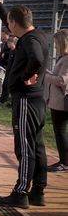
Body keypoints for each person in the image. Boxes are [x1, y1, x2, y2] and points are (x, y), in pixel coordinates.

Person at [0, 0, 48, 209]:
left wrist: (26, 77)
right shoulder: (36, 34)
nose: (8, 27)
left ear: (15, 23)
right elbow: (11, 22)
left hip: (25, 99)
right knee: (37, 145)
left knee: (24, 147)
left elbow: (37, 59)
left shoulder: (30, 41)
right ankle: (38, 191)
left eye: (9, 23)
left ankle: (21, 192)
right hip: (38, 100)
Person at [44, 29, 68, 172]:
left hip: (61, 102)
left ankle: (64, 162)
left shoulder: (66, 59)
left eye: (56, 43)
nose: (55, 46)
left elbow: (62, 80)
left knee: (60, 132)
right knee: (60, 132)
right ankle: (64, 161)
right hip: (57, 100)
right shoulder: (62, 58)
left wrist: (45, 76)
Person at [0, 36, 18, 105]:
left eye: (9, 43)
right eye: (7, 43)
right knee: (5, 85)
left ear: (13, 43)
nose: (8, 45)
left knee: (11, 88)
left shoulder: (16, 52)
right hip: (8, 71)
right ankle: (2, 100)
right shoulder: (11, 51)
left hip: (13, 73)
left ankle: (11, 102)